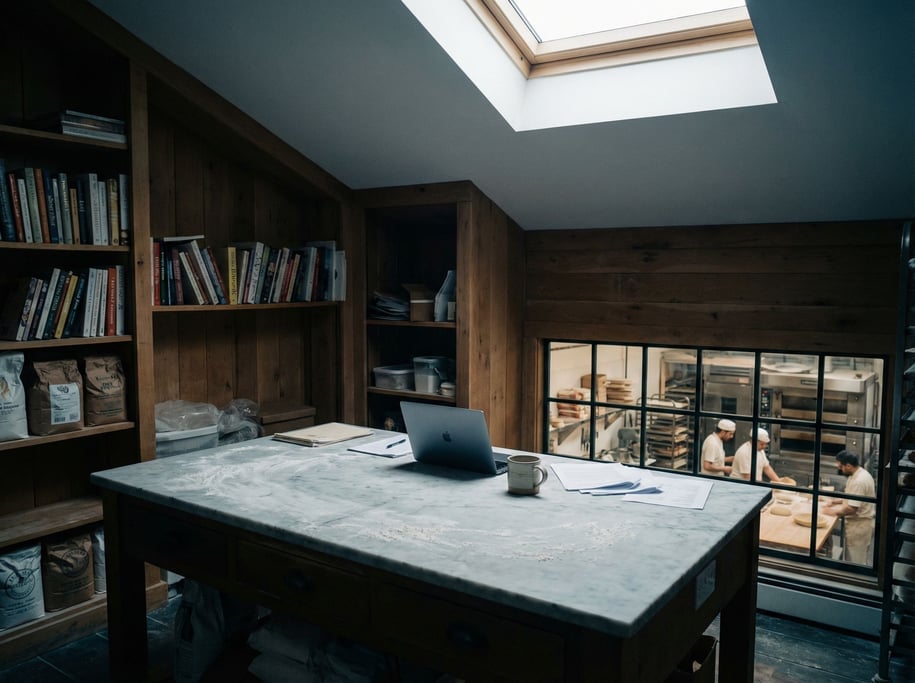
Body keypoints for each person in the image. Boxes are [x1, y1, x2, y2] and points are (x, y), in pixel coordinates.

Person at [825, 451, 876, 565]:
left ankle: (858, 582)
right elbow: (851, 497)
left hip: (859, 527)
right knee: (854, 559)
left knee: (856, 563)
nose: (840, 469)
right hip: (858, 525)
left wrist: (832, 512)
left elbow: (852, 508)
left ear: (848, 465)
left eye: (841, 466)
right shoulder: (858, 473)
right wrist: (834, 501)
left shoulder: (859, 481)